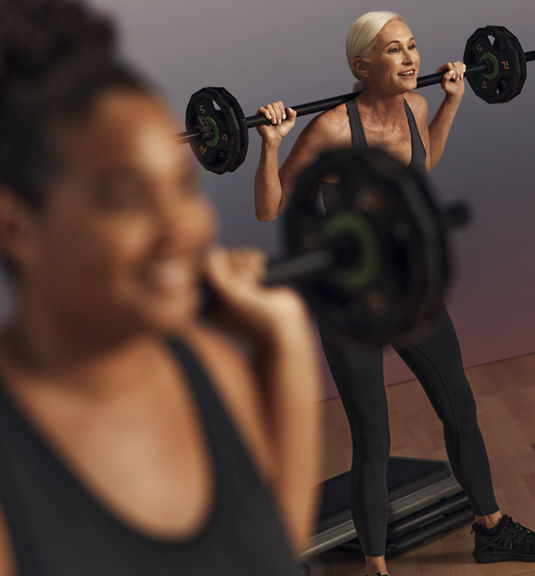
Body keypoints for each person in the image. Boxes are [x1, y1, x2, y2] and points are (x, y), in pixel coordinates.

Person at [0, 1, 322, 575]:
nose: (184, 228)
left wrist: (285, 345)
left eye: (183, 187)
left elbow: (268, 554)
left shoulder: (209, 367)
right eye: (125, 198)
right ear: (16, 227)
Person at [254, 11, 535, 576]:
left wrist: (449, 105)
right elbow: (269, 207)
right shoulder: (332, 132)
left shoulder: (416, 106)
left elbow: (420, 164)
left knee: (460, 408)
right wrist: (271, 144)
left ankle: (491, 529)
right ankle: (376, 568)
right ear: (362, 66)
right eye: (393, 50)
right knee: (374, 437)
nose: (411, 58)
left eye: (412, 46)